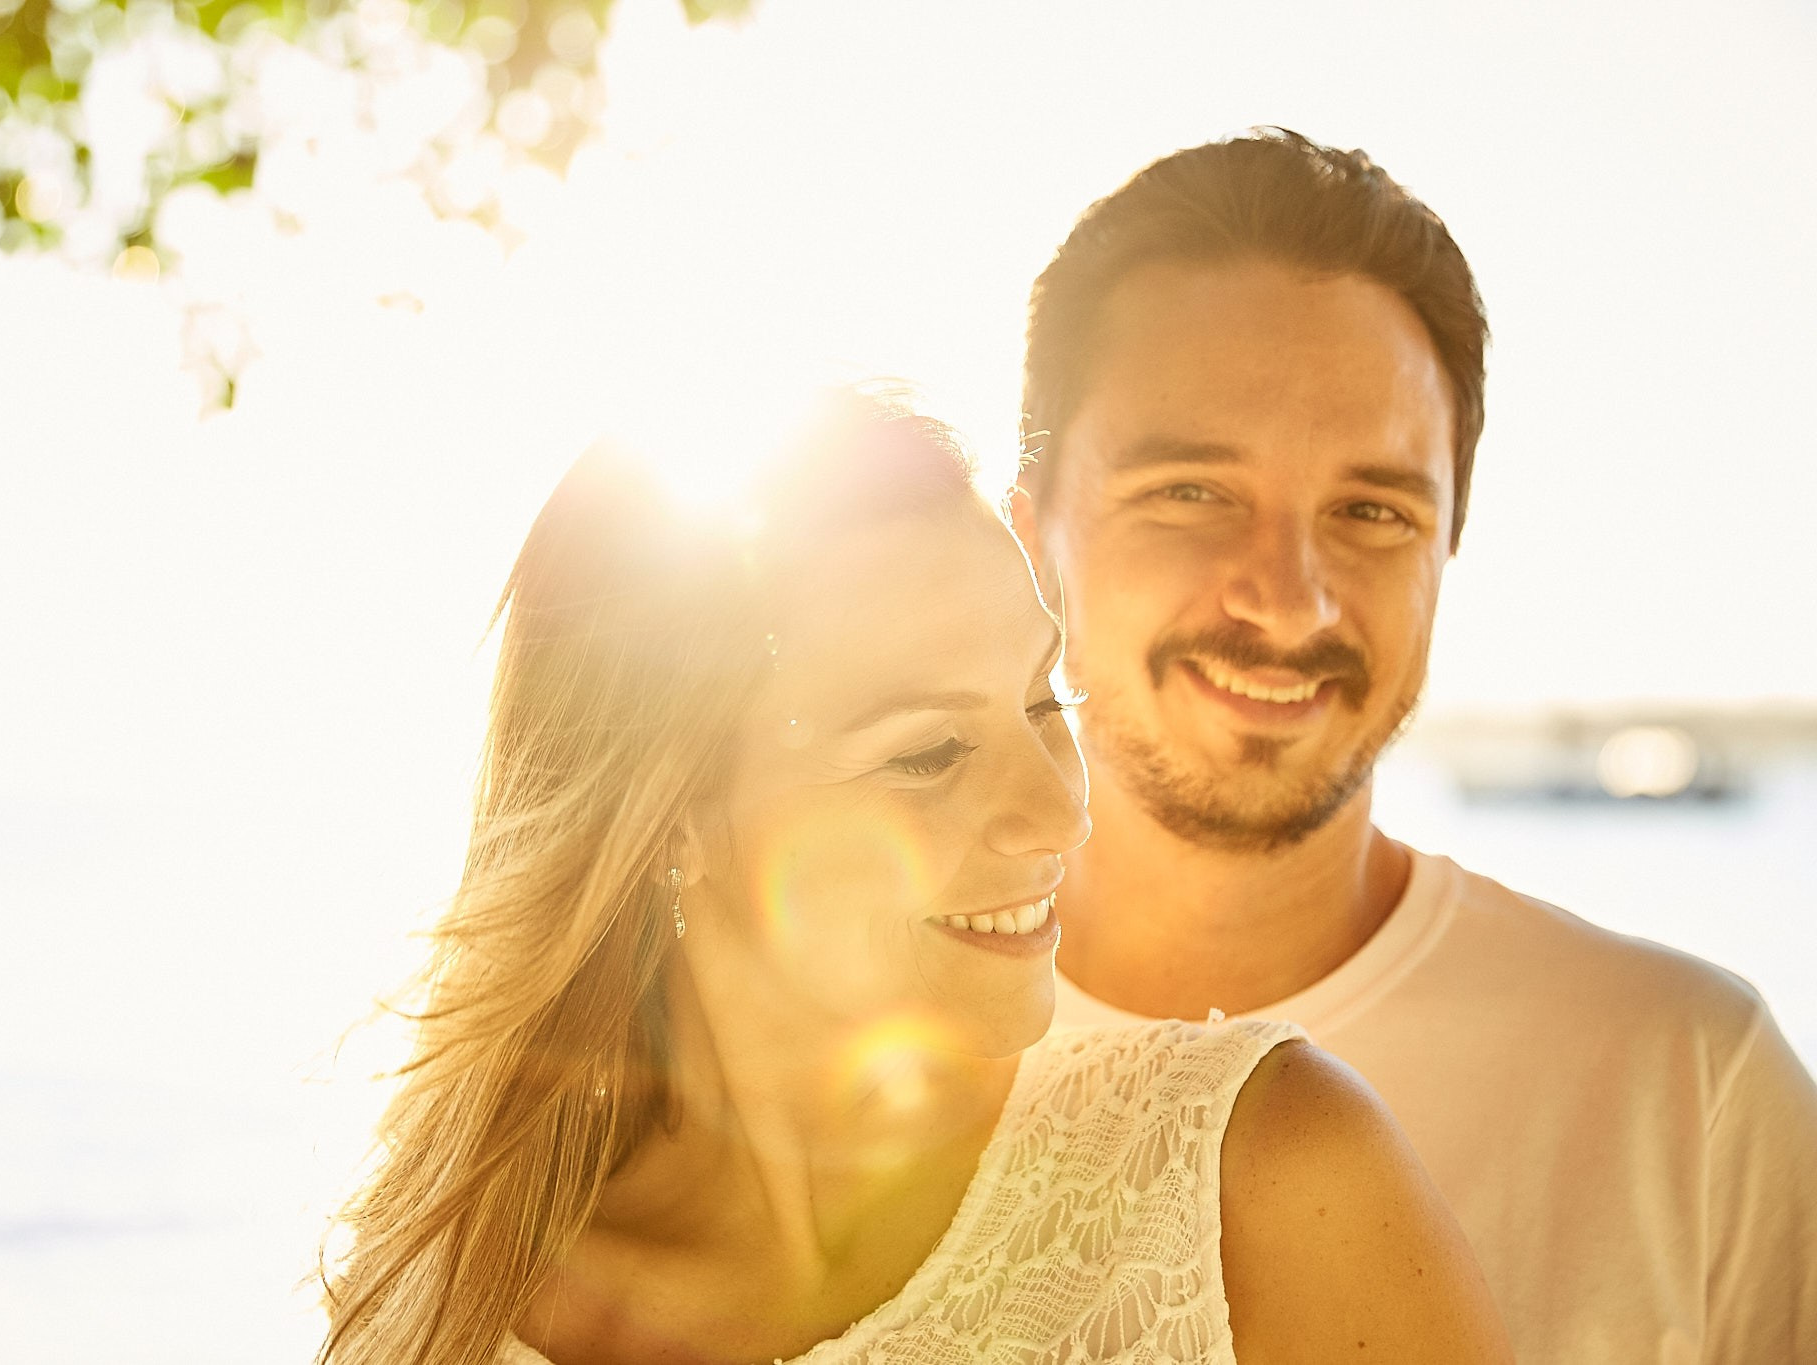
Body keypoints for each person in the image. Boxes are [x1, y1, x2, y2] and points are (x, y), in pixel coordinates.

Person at [319, 393, 1511, 1365]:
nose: (1059, 809)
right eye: (927, 753)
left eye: (1044, 700)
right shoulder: (443, 1297)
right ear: (668, 819)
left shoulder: (1255, 1180)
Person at [1012, 128, 1817, 1365]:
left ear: (1445, 548)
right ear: (1031, 537)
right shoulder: (821, 1059)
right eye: (1190, 491)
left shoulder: (1687, 1093)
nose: (1285, 601)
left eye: (1370, 512)